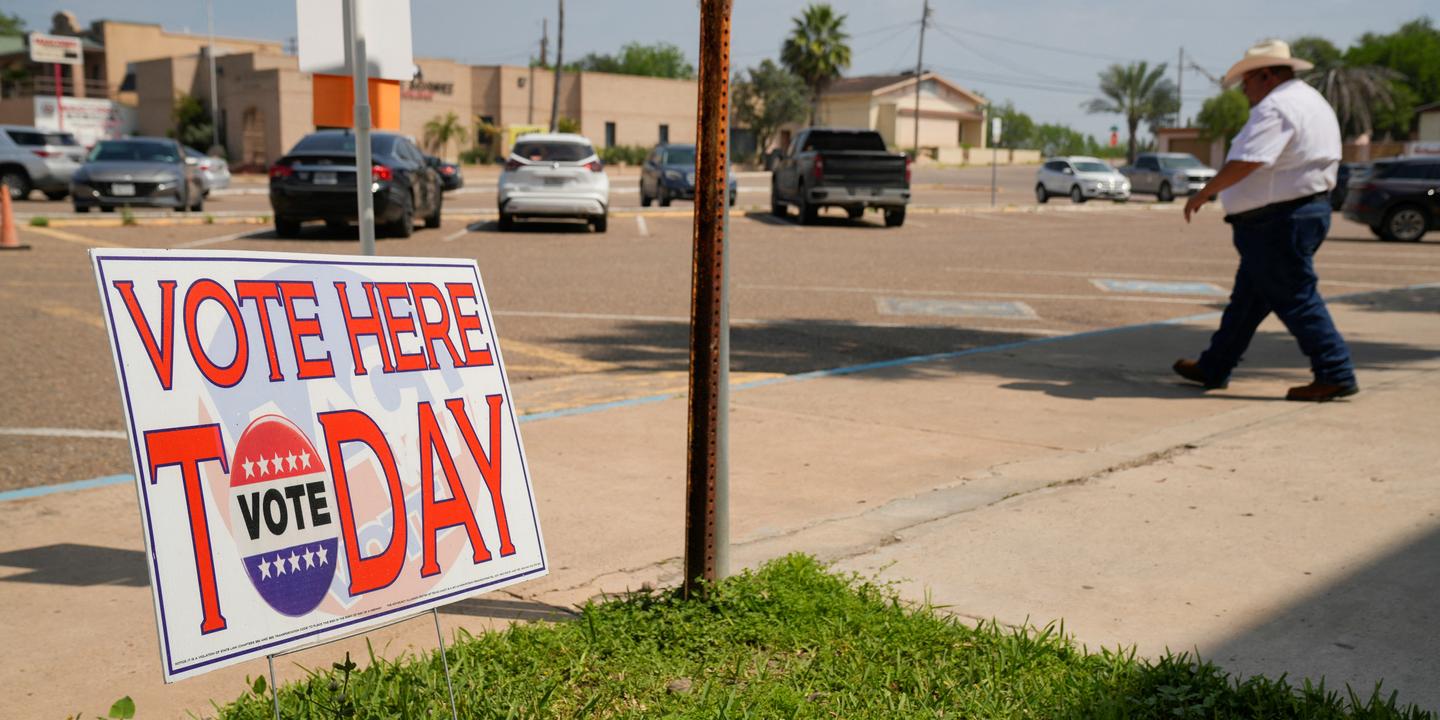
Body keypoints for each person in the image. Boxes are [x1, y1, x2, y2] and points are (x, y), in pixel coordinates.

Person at [1174, 39, 1357, 402]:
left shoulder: (1276, 106)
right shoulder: (1309, 100)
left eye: (1248, 80)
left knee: (1296, 296)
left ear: (1268, 75)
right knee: (1248, 300)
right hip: (1297, 214)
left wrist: (1205, 191)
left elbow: (1249, 160)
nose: (1244, 89)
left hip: (1278, 221)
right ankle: (1215, 365)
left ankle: (1335, 371)